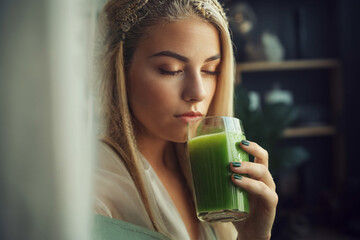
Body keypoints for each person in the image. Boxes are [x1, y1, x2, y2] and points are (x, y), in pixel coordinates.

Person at [93, 0, 278, 239]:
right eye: (171, 69)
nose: (198, 92)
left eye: (210, 70)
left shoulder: (205, 170)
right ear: (120, 70)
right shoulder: (92, 187)